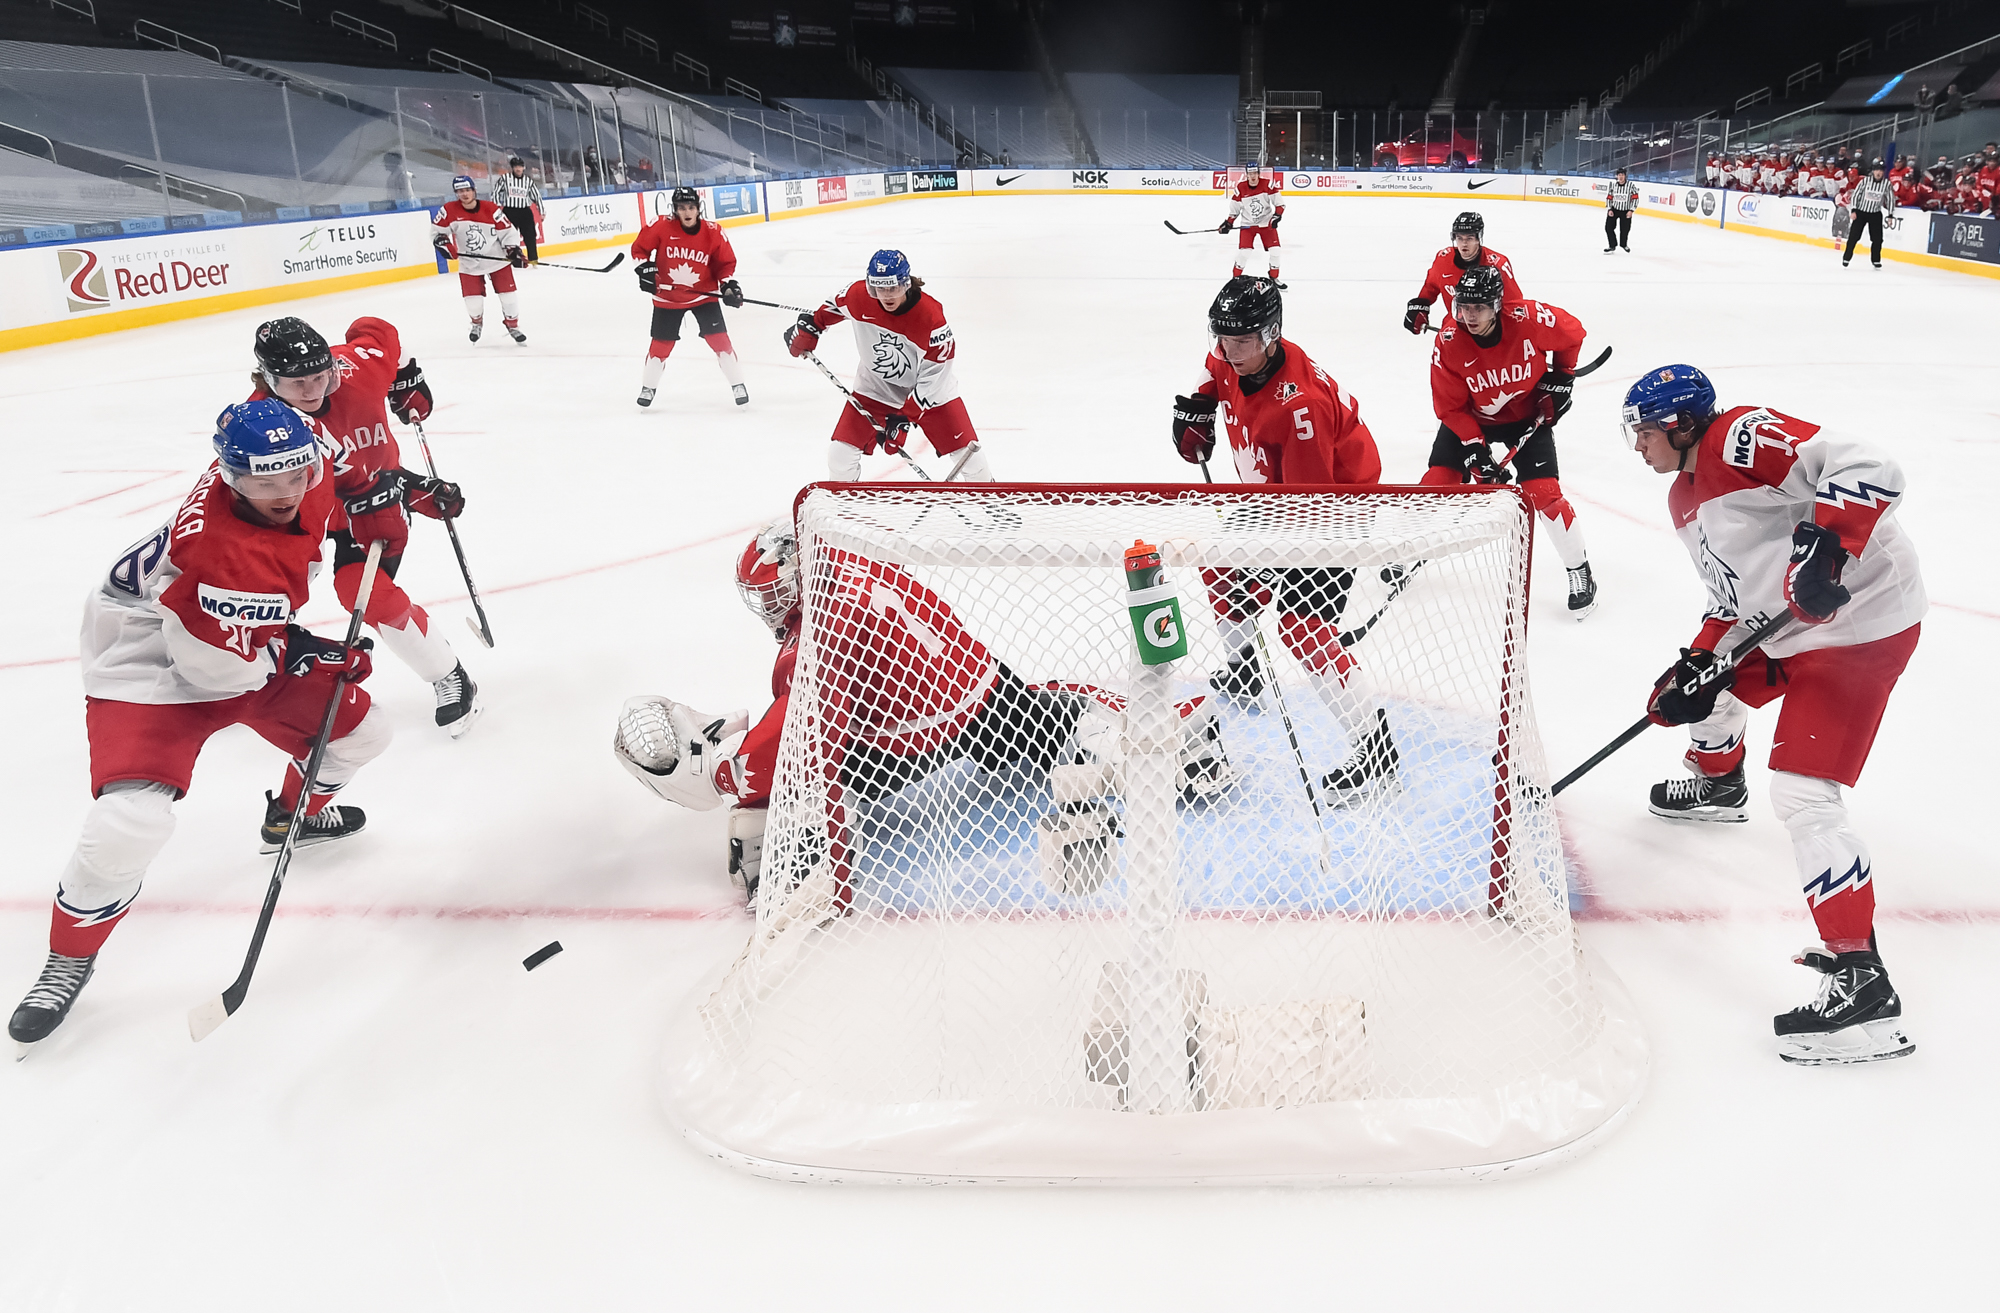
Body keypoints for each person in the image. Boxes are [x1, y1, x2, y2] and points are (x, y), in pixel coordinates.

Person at [6, 401, 394, 1048]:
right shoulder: (223, 557)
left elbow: (339, 476)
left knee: (364, 731)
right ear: (230, 474)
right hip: (152, 659)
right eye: (264, 482)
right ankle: (68, 955)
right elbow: (222, 673)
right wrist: (302, 648)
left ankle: (291, 816)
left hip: (235, 640)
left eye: (296, 474)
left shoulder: (303, 465)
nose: (286, 492)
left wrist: (385, 494)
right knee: (130, 819)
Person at [612, 524, 1236, 906]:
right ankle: (1144, 726)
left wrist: (725, 772)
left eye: (776, 595)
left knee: (791, 775)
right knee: (1045, 714)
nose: (772, 608)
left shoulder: (820, 632)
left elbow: (794, 724)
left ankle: (780, 861)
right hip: (977, 684)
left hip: (918, 734)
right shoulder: (859, 559)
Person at [1619, 364, 1925, 1065]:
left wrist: (1827, 543)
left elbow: (1869, 465)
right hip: (1795, 627)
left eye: (1644, 432)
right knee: (1701, 686)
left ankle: (1862, 982)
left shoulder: (1738, 438)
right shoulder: (1682, 498)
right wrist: (1700, 661)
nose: (1637, 445)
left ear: (1682, 423)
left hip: (1862, 623)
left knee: (1802, 793)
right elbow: (1733, 600)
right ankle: (1721, 781)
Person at [1168, 275, 1399, 802]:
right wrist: (1199, 407)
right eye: (1222, 338)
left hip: (1333, 509)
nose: (1228, 351)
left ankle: (1376, 749)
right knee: (1221, 568)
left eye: (1241, 342)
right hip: (1274, 497)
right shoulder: (1235, 354)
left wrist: (1270, 560)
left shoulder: (1301, 409)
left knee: (1303, 631)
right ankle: (1246, 667)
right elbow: (1213, 373)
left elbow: (1308, 508)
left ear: (1271, 335)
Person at [247, 317, 481, 735]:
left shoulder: (357, 367)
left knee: (364, 593)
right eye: (297, 384)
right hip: (297, 519)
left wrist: (407, 376)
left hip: (370, 516)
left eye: (321, 376)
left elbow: (376, 332)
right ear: (267, 380)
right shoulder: (264, 427)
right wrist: (409, 488)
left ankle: (449, 674)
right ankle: (240, 673)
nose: (313, 390)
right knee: (261, 594)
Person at [1423, 265, 1597, 618]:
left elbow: (1574, 333)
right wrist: (1475, 449)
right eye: (1463, 307)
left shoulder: (1529, 319)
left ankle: (1579, 569)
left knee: (1544, 493)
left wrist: (1562, 377)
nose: (1469, 316)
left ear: (1498, 304)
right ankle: (1408, 551)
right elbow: (1450, 407)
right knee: (1436, 484)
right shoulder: (1449, 340)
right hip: (1472, 419)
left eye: (1479, 308)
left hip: (1524, 416)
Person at [784, 249, 993, 481]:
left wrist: (906, 415)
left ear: (906, 284)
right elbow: (832, 307)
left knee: (969, 456)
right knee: (840, 455)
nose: (886, 295)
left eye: (893, 288)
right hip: (876, 389)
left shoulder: (931, 317)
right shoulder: (858, 296)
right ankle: (842, 508)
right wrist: (812, 327)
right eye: (879, 289)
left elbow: (937, 373)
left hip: (931, 394)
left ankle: (992, 507)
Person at [629, 186, 747, 409]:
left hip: (704, 296)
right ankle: (648, 387)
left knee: (721, 341)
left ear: (698, 208)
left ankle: (738, 384)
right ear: (675, 210)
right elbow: (639, 250)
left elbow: (725, 264)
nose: (687, 212)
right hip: (668, 297)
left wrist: (728, 286)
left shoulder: (713, 232)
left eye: (691, 207)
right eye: (681, 208)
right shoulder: (661, 226)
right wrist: (645, 270)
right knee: (660, 346)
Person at [431, 175, 527, 344]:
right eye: (460, 191)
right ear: (456, 193)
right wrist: (442, 243)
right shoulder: (448, 210)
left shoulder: (490, 209)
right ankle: (476, 323)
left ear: (474, 190)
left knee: (509, 296)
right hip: (469, 264)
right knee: (473, 301)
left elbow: (508, 232)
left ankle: (513, 326)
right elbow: (437, 232)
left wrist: (513, 249)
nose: (465, 194)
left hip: (497, 260)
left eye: (467, 190)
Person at [1403, 211, 1521, 335]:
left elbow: (1514, 304)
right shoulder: (1443, 259)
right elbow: (1430, 287)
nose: (1464, 244)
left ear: (1478, 238)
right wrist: (1419, 307)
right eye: (1460, 238)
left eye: (1469, 238)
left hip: (1488, 333)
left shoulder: (1497, 265)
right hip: (1455, 330)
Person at [1218, 159, 1284, 284]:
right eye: (1250, 173)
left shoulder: (1267, 185)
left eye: (1255, 173)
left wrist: (1276, 216)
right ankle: (1235, 280)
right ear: (1246, 174)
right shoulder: (1241, 188)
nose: (1253, 176)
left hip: (1266, 224)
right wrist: (1228, 223)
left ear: (1259, 173)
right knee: (1244, 253)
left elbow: (1280, 204)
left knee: (1275, 251)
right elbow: (1235, 209)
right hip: (1248, 225)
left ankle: (1274, 277)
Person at [491, 156, 543, 264]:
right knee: (509, 236)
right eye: (516, 167)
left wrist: (542, 211)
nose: (518, 169)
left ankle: (533, 259)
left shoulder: (528, 181)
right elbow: (495, 192)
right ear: (512, 168)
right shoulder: (505, 178)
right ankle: (512, 259)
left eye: (520, 166)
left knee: (530, 235)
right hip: (510, 211)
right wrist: (496, 207)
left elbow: (537, 196)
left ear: (523, 168)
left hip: (525, 211)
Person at [1843, 162, 1894, 269]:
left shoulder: (1886, 184)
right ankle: (1847, 257)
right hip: (1861, 212)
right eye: (1876, 170)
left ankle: (1876, 260)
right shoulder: (1865, 181)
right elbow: (1856, 195)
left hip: (1875, 214)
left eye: (1880, 170)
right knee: (1853, 237)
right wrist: (1854, 210)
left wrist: (1890, 215)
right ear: (1873, 171)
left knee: (1877, 239)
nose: (1878, 173)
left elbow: (1890, 199)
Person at [1604, 167, 1638, 252]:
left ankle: (1623, 244)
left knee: (1625, 229)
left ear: (1625, 176)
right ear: (1617, 176)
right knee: (1608, 228)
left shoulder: (1631, 185)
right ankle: (1612, 245)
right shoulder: (1613, 185)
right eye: (1619, 175)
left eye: (1622, 175)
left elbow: (1635, 198)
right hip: (1614, 209)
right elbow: (1609, 197)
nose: (1621, 177)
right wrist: (1609, 209)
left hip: (1626, 210)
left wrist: (1631, 210)